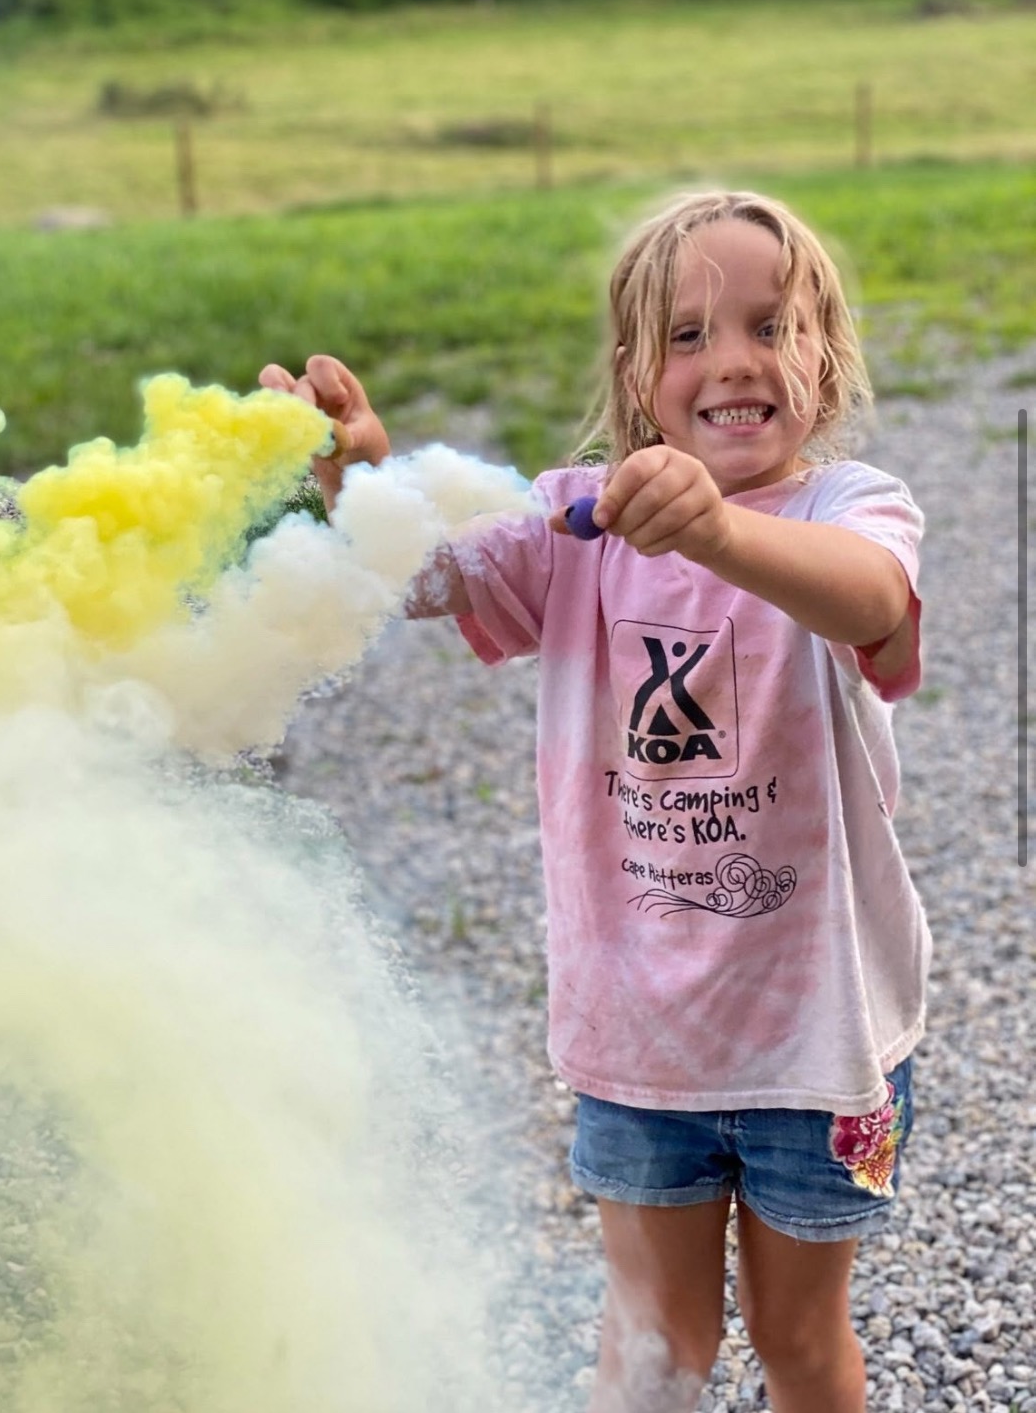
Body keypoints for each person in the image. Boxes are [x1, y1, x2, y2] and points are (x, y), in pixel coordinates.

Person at [259, 188, 929, 1413]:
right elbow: (421, 574)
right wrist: (358, 484)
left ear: (827, 357)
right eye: (689, 335)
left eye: (772, 326)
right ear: (635, 373)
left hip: (820, 1049)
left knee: (798, 1339)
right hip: (637, 1046)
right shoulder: (575, 521)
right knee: (655, 1344)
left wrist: (714, 531)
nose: (735, 360)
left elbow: (870, 598)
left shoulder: (852, 508)